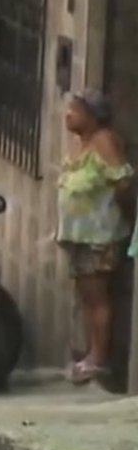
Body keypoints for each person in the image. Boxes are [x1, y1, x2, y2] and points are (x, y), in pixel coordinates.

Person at [57, 90, 134, 385]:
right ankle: (91, 353)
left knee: (98, 297)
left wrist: (114, 210)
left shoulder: (104, 141)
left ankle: (99, 358)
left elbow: (123, 180)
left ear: (92, 116)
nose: (68, 115)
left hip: (98, 235)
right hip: (78, 235)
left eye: (74, 110)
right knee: (86, 297)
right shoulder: (81, 146)